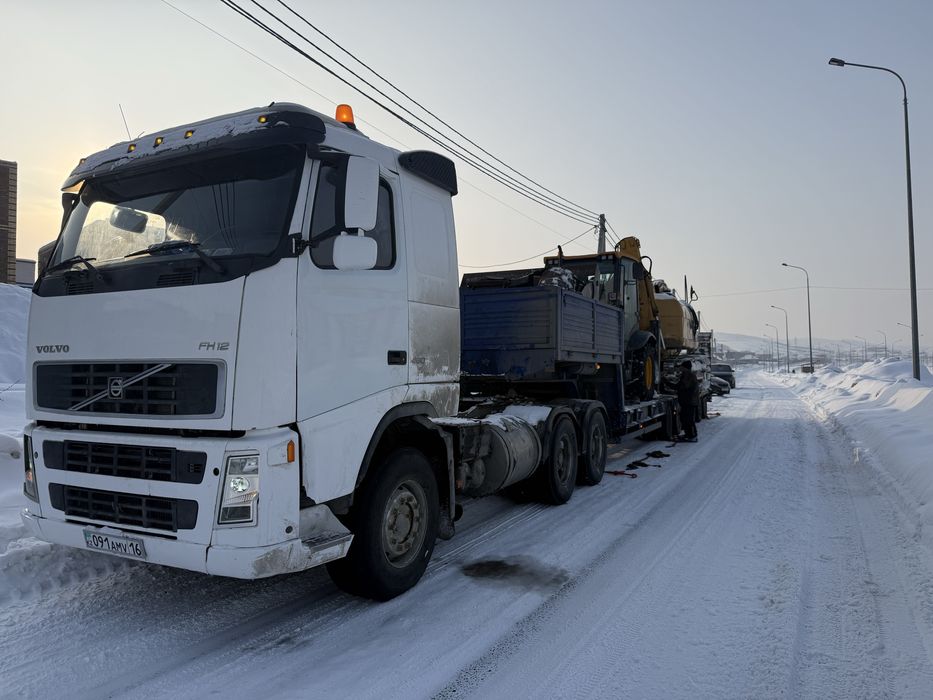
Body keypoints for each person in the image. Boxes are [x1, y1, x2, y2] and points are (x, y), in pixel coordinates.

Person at [676, 360, 699, 442]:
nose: (681, 368)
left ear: (685, 368)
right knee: (685, 418)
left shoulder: (688, 375)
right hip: (688, 401)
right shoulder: (688, 375)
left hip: (689, 401)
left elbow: (682, 386)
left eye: (682, 367)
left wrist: (668, 383)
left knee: (688, 419)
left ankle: (692, 436)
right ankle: (688, 435)